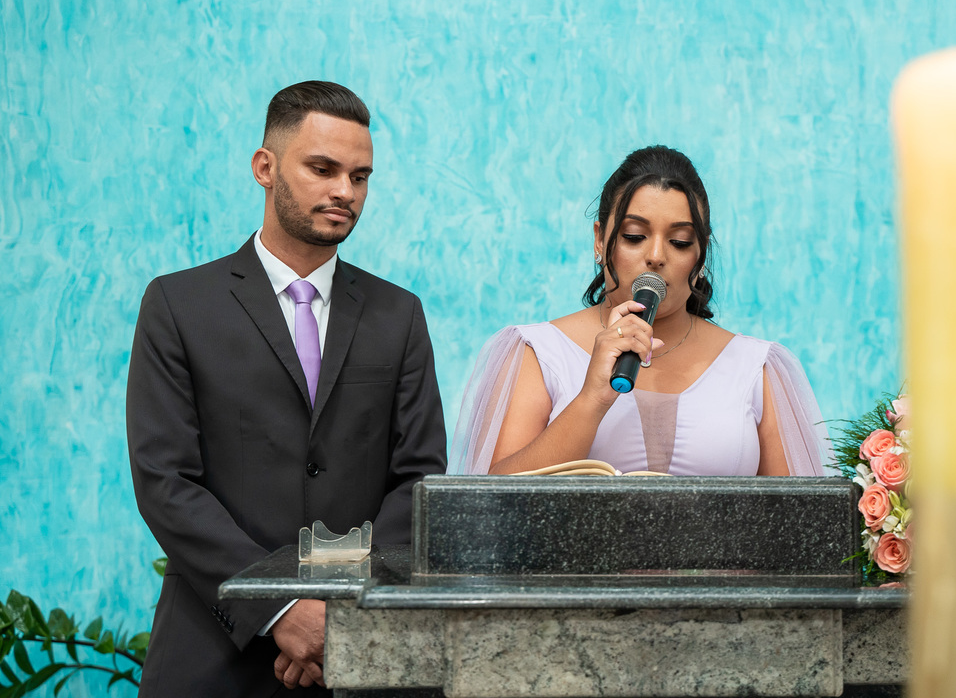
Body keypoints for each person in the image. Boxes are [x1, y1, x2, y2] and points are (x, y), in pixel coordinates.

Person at [126, 81, 447, 696]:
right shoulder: (177, 305)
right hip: (211, 652)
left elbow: (419, 478)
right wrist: (279, 609)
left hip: (365, 653)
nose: (344, 192)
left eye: (360, 176)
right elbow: (165, 481)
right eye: (323, 169)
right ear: (265, 168)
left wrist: (336, 615)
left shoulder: (398, 314)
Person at [449, 145, 830, 477]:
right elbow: (491, 504)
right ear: (600, 239)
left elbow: (799, 523)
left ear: (700, 254)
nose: (656, 256)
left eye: (680, 242)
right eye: (634, 236)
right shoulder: (536, 352)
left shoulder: (757, 367)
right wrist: (591, 399)